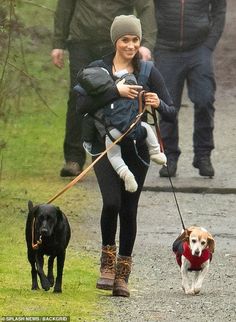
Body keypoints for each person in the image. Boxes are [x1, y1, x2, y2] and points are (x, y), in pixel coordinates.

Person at [76, 15, 176, 297]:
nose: (130, 45)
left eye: (135, 39)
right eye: (125, 40)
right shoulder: (97, 69)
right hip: (103, 146)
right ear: (115, 41)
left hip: (136, 147)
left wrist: (158, 103)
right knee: (111, 202)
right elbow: (80, 105)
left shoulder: (147, 71)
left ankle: (123, 274)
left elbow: (171, 110)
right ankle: (106, 264)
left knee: (129, 210)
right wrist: (114, 90)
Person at [51, 0, 157, 177]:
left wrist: (146, 43)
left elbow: (145, 7)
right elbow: (65, 6)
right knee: (79, 96)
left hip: (116, 43)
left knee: (126, 95)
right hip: (81, 42)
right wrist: (58, 42)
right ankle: (74, 158)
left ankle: (129, 153)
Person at [153, 0, 226, 177]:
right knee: (167, 106)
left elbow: (220, 9)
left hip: (199, 48)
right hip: (165, 48)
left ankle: (203, 156)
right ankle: (169, 157)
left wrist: (209, 44)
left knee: (205, 99)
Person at [77, 68, 167, 193]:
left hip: (111, 133)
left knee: (114, 156)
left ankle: (125, 174)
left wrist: (88, 143)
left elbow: (87, 124)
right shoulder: (122, 84)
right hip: (132, 126)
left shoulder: (95, 99)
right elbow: (130, 79)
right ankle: (156, 152)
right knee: (146, 127)